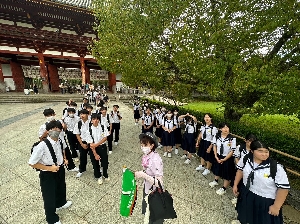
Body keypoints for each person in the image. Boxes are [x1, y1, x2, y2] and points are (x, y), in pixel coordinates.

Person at [232, 140, 290, 224]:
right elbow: (240, 171)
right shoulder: (246, 159)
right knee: (244, 212)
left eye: (266, 151)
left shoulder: (276, 167)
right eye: (260, 151)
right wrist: (235, 184)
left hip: (265, 200)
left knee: (262, 220)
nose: (264, 154)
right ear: (252, 151)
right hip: (247, 192)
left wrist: (276, 206)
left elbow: (283, 188)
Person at [29, 120, 72, 224]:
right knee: (49, 195)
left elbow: (62, 150)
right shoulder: (42, 145)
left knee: (61, 187)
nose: (56, 131)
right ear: (47, 131)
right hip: (48, 173)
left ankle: (61, 203)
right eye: (52, 129)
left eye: (58, 129)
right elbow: (32, 163)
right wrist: (50, 168)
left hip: (60, 169)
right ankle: (51, 218)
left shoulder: (60, 141)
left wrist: (64, 159)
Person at [135, 132, 164, 224]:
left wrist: (144, 175)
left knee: (154, 217)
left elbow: (159, 183)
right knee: (147, 212)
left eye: (145, 144)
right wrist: (141, 173)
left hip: (155, 193)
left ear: (152, 146)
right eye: (141, 144)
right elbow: (147, 170)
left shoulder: (156, 159)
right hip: (147, 188)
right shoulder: (146, 155)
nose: (142, 146)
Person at [209, 122, 236, 195]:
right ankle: (216, 180)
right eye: (224, 127)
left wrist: (224, 159)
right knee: (217, 168)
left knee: (227, 173)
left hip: (227, 158)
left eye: (227, 127)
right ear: (220, 129)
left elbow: (232, 150)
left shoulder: (232, 139)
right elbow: (214, 146)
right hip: (218, 155)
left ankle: (224, 188)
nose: (226, 129)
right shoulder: (217, 136)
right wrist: (215, 156)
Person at [231, 133, 257, 205]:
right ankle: (236, 197)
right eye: (249, 141)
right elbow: (236, 157)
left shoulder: (255, 150)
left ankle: (242, 198)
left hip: (249, 172)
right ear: (245, 140)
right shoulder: (240, 147)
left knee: (245, 185)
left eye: (253, 141)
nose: (251, 143)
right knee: (238, 183)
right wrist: (239, 166)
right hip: (239, 169)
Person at [84, 113, 110, 184]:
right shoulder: (89, 130)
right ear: (91, 120)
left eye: (97, 119)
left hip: (102, 147)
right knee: (95, 163)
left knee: (105, 162)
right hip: (93, 149)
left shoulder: (102, 127)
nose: (95, 121)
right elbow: (91, 144)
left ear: (99, 120)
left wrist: (97, 144)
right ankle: (98, 176)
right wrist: (95, 154)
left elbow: (105, 138)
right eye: (93, 119)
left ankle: (105, 174)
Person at [73, 109, 91, 178]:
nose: (82, 116)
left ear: (87, 114)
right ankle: (82, 170)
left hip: (91, 142)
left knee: (94, 157)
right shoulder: (78, 124)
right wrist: (81, 144)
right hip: (82, 142)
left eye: (83, 114)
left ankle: (97, 170)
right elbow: (77, 134)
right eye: (81, 114)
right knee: (83, 157)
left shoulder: (91, 122)